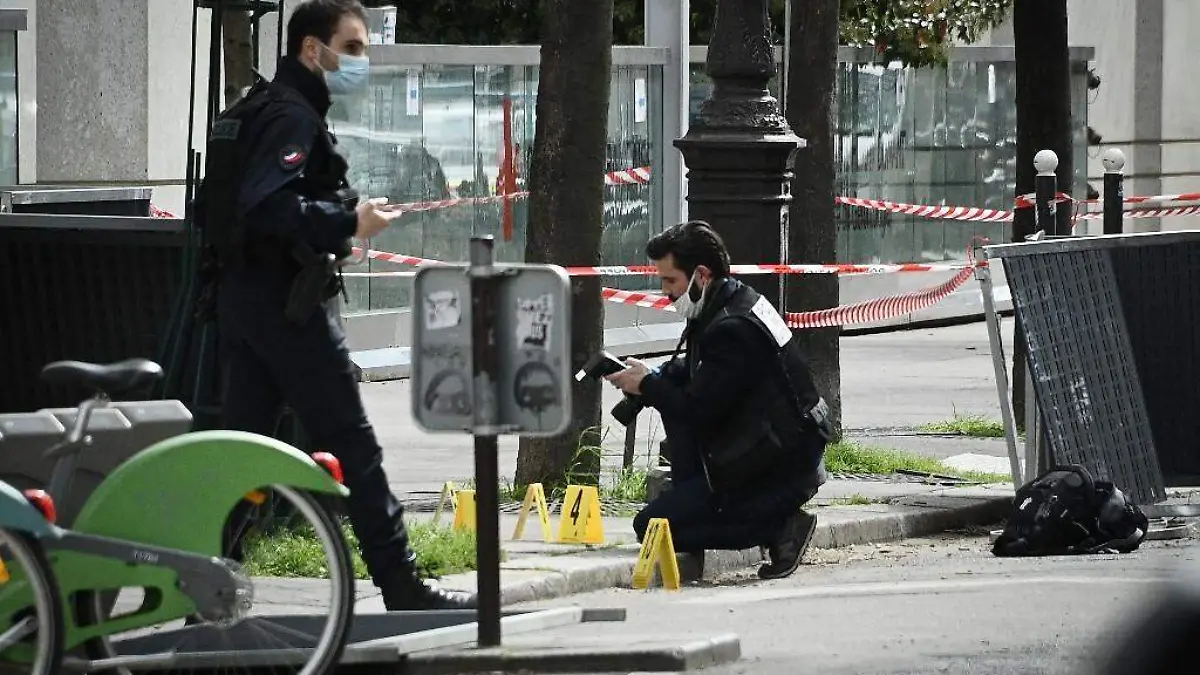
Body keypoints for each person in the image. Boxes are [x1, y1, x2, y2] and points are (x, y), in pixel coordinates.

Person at [198, 0, 475, 610]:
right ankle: (401, 584)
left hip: (248, 304)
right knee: (353, 443)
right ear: (311, 49)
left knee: (242, 452)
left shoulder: (263, 106)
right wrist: (349, 221)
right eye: (350, 48)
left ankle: (206, 584)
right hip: (289, 306)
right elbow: (267, 207)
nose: (359, 61)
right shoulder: (291, 117)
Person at [605, 221, 830, 579]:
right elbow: (705, 372)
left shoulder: (732, 329)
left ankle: (780, 527)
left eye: (671, 281)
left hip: (779, 468)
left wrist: (649, 386)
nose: (665, 292)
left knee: (651, 527)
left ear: (701, 275)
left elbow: (698, 412)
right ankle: (701, 499)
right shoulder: (734, 302)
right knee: (669, 389)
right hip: (769, 449)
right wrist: (654, 375)